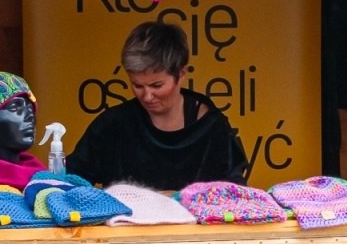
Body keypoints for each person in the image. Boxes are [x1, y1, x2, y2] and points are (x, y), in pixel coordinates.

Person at [67, 21, 249, 191]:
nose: (147, 96)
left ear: (181, 73)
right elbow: (72, 180)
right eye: (137, 85)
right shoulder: (112, 125)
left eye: (156, 86)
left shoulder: (212, 127)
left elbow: (234, 193)